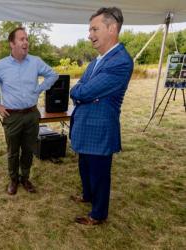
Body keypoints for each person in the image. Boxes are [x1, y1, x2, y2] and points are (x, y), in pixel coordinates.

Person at [69, 7, 133, 225]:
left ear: (112, 28)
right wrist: (82, 92)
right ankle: (87, 196)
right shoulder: (97, 60)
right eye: (89, 30)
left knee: (99, 173)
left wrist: (81, 93)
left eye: (94, 29)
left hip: (100, 129)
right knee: (85, 166)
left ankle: (98, 214)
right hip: (86, 125)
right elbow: (80, 89)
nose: (90, 35)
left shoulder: (120, 61)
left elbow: (83, 91)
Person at [0, 27, 58, 195]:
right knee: (13, 152)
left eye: (27, 39)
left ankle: (25, 178)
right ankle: (13, 180)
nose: (26, 42)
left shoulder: (36, 61)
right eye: (22, 39)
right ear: (12, 44)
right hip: (12, 116)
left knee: (29, 149)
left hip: (31, 114)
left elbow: (53, 75)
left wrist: (39, 89)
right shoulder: (2, 65)